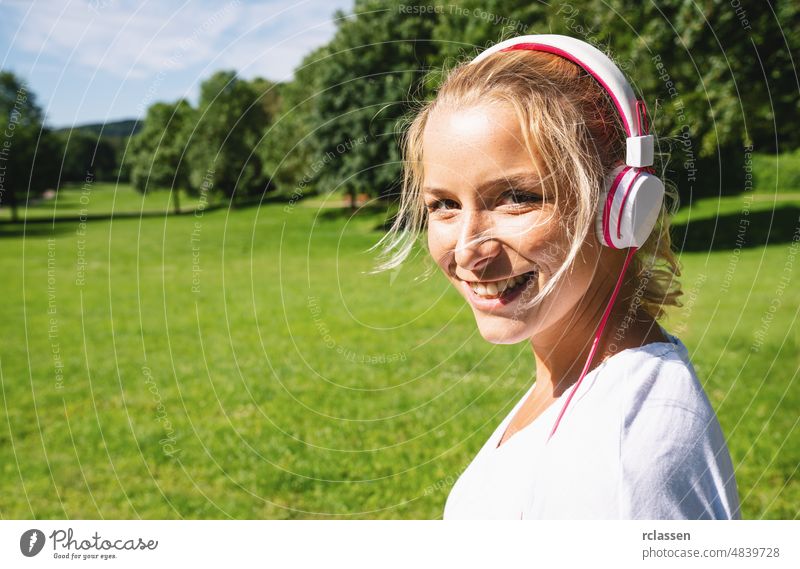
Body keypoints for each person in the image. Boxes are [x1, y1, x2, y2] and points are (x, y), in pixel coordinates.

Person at [373, 35, 741, 519]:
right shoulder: (582, 384)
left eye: (516, 197)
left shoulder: (621, 458)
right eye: (444, 204)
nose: (467, 251)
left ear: (621, 206)